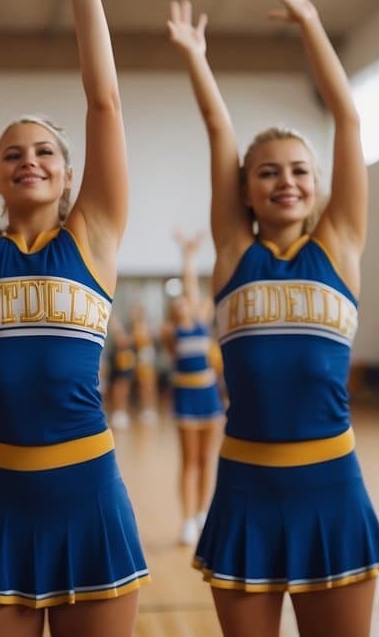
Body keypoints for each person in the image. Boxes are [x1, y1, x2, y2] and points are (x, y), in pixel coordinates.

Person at [0, 0, 148, 636]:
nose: (29, 159)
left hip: (87, 492)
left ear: (67, 177)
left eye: (45, 153)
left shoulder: (92, 238)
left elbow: (105, 103)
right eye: (13, 154)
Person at [168, 0, 379, 637]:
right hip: (246, 489)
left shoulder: (341, 247)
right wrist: (195, 58)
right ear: (245, 189)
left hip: (332, 486)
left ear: (317, 186)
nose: (285, 181)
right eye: (267, 172)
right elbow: (219, 130)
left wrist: (311, 22)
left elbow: (348, 120)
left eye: (298, 170)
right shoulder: (235, 251)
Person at [160, 229, 221, 546]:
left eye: (189, 299)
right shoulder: (170, 331)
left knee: (207, 460)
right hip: (186, 397)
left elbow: (193, 286)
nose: (187, 300)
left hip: (209, 395)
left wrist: (189, 255)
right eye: (182, 300)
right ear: (175, 308)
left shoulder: (200, 319)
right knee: (189, 461)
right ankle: (186, 520)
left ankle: (201, 514)